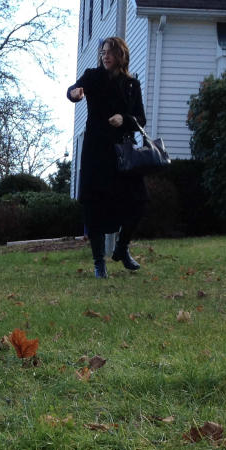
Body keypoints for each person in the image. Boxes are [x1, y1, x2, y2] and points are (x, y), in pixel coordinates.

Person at [66, 36, 148, 278]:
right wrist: (75, 93)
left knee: (139, 200)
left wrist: (125, 119)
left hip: (122, 152)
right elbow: (73, 91)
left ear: (121, 55)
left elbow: (140, 119)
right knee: (95, 205)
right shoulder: (92, 76)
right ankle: (98, 262)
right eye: (103, 52)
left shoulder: (131, 84)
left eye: (110, 52)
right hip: (96, 152)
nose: (105, 56)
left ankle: (122, 249)